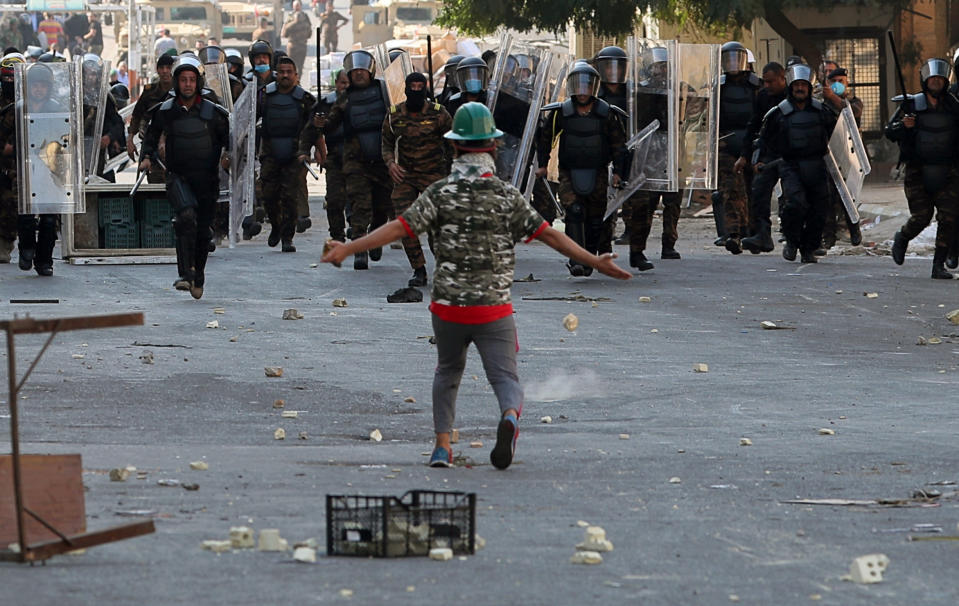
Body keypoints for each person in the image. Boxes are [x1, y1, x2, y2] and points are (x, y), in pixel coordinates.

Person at [320, 103, 631, 469]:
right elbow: (551, 236)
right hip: (493, 308)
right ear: (493, 148)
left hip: (449, 308)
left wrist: (348, 247)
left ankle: (441, 447)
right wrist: (595, 261)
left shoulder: (438, 194)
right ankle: (510, 416)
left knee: (448, 372)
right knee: (504, 376)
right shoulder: (506, 196)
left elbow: (398, 228)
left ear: (453, 148)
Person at [139, 56, 231, 298]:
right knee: (185, 217)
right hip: (178, 176)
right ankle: (184, 274)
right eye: (183, 80)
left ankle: (198, 273)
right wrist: (146, 157)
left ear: (198, 82)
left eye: (191, 80)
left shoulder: (213, 111)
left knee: (202, 231)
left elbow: (229, 140)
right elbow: (150, 136)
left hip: (207, 179)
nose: (187, 84)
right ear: (177, 82)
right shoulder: (166, 110)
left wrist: (230, 157)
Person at [536, 62, 627, 276]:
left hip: (597, 172)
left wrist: (618, 172)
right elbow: (545, 138)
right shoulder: (562, 112)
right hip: (569, 171)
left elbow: (618, 145)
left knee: (595, 219)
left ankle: (591, 258)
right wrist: (542, 164)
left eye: (587, 85)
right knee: (574, 212)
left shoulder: (606, 113)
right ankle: (576, 259)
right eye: (579, 85)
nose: (583, 91)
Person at [305, 49, 393, 270]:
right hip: (356, 161)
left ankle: (375, 238)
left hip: (382, 159)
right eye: (355, 71)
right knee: (359, 205)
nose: (359, 74)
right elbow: (331, 123)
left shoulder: (384, 92)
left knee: (382, 206)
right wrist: (320, 123)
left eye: (363, 70)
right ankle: (359, 248)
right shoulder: (345, 99)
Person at [755, 63, 837, 264]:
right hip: (790, 166)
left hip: (816, 166)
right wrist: (759, 160)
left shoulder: (822, 111)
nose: (800, 89)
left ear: (809, 88)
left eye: (804, 85)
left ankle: (809, 248)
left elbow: (839, 133)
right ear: (791, 87)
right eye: (796, 85)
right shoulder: (778, 113)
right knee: (795, 204)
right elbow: (763, 139)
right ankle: (792, 241)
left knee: (819, 210)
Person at [885, 58, 959, 279]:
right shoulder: (910, 105)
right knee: (922, 216)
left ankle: (938, 265)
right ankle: (903, 238)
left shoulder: (954, 105)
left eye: (940, 79)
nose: (936, 82)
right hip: (918, 170)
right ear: (925, 80)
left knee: (949, 217)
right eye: (932, 79)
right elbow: (890, 131)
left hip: (948, 171)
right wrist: (903, 126)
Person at [381, 72, 453, 288]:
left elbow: (454, 143)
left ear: (425, 88)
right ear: (405, 88)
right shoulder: (395, 114)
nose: (415, 90)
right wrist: (391, 164)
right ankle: (418, 269)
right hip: (406, 176)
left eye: (420, 86)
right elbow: (385, 142)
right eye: (412, 86)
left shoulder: (439, 114)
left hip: (434, 176)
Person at [254, 55, 315, 252]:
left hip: (294, 155)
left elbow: (314, 127)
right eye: (281, 72)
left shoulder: (305, 99)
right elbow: (249, 119)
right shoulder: (264, 95)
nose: (285, 76)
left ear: (296, 76)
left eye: (289, 72)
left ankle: (287, 237)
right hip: (270, 154)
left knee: (290, 197)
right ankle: (276, 226)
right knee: (269, 195)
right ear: (276, 74)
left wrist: (314, 150)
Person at [628, 46, 682, 270]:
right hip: (648, 149)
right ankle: (639, 248)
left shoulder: (678, 89)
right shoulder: (640, 92)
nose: (662, 71)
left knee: (673, 200)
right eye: (658, 66)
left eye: (665, 66)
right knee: (646, 202)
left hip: (672, 148)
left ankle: (668, 244)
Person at [10, 62, 63, 275]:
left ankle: (44, 261)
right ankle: (27, 249)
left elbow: (66, 138)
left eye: (42, 85)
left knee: (50, 219)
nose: (38, 89)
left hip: (49, 171)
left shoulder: (57, 109)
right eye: (35, 85)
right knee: (26, 215)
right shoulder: (17, 109)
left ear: (48, 87)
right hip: (24, 170)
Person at [715, 41, 760, 255]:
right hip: (727, 146)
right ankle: (733, 234)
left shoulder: (756, 86)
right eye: (728, 58)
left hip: (753, 146)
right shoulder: (717, 87)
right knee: (731, 190)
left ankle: (753, 232)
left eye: (736, 57)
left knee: (754, 190)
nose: (733, 63)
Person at [740, 62, 787, 253]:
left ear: (782, 79)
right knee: (759, 192)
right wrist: (745, 155)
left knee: (794, 197)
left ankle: (800, 238)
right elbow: (753, 126)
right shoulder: (763, 98)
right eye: (765, 82)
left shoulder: (794, 96)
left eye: (771, 82)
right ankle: (762, 235)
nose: (767, 86)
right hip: (769, 154)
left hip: (791, 154)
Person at [818, 66, 864, 253]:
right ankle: (828, 236)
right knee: (827, 198)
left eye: (841, 81)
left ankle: (854, 228)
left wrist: (834, 98)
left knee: (848, 197)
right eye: (834, 81)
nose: (838, 84)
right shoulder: (823, 104)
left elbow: (853, 113)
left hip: (848, 156)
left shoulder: (853, 102)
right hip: (828, 156)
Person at [311, 69, 349, 242]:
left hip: (359, 159)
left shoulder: (364, 102)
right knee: (334, 200)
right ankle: (337, 235)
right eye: (342, 83)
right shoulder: (327, 103)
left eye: (349, 83)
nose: (345, 87)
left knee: (359, 201)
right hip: (334, 157)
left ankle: (359, 234)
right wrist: (318, 148)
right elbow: (313, 130)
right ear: (336, 84)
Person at [127, 53, 176, 183]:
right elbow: (137, 115)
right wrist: (130, 139)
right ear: (157, 69)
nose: (165, 71)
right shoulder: (150, 92)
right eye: (162, 67)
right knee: (155, 188)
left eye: (168, 67)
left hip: (176, 147)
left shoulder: (180, 91)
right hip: (152, 147)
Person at [0, 52, 23, 263]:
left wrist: (14, 145)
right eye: (6, 77)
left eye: (13, 77)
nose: (9, 81)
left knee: (11, 208)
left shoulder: (31, 100)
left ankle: (6, 245)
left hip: (18, 165)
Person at [281, 1, 312, 74]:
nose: (297, 7)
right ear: (293, 6)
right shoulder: (290, 16)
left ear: (301, 6)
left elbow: (309, 30)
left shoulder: (305, 16)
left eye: (298, 5)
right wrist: (295, 22)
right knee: (291, 66)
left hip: (302, 45)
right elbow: (285, 31)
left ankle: (298, 82)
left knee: (300, 66)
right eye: (295, 5)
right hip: (292, 45)